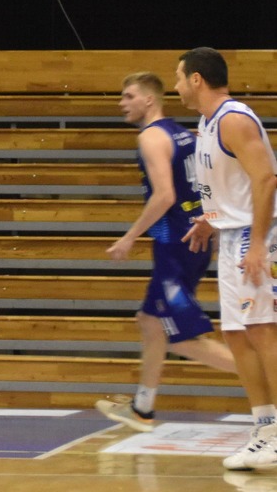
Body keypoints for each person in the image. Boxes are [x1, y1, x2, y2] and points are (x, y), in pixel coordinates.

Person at [96, 71, 237, 431]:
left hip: (175, 245)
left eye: (128, 96)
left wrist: (129, 237)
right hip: (189, 241)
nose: (122, 103)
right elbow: (205, 185)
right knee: (149, 321)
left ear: (149, 100)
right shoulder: (183, 133)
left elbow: (164, 197)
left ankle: (265, 374)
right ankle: (142, 408)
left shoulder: (151, 137)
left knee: (185, 340)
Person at [177, 47, 277, 471]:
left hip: (257, 234)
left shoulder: (234, 119)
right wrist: (210, 219)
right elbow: (232, 186)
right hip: (232, 233)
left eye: (179, 78)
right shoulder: (206, 122)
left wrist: (258, 243)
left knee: (263, 330)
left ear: (196, 79)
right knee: (237, 334)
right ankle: (266, 430)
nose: (176, 86)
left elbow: (266, 179)